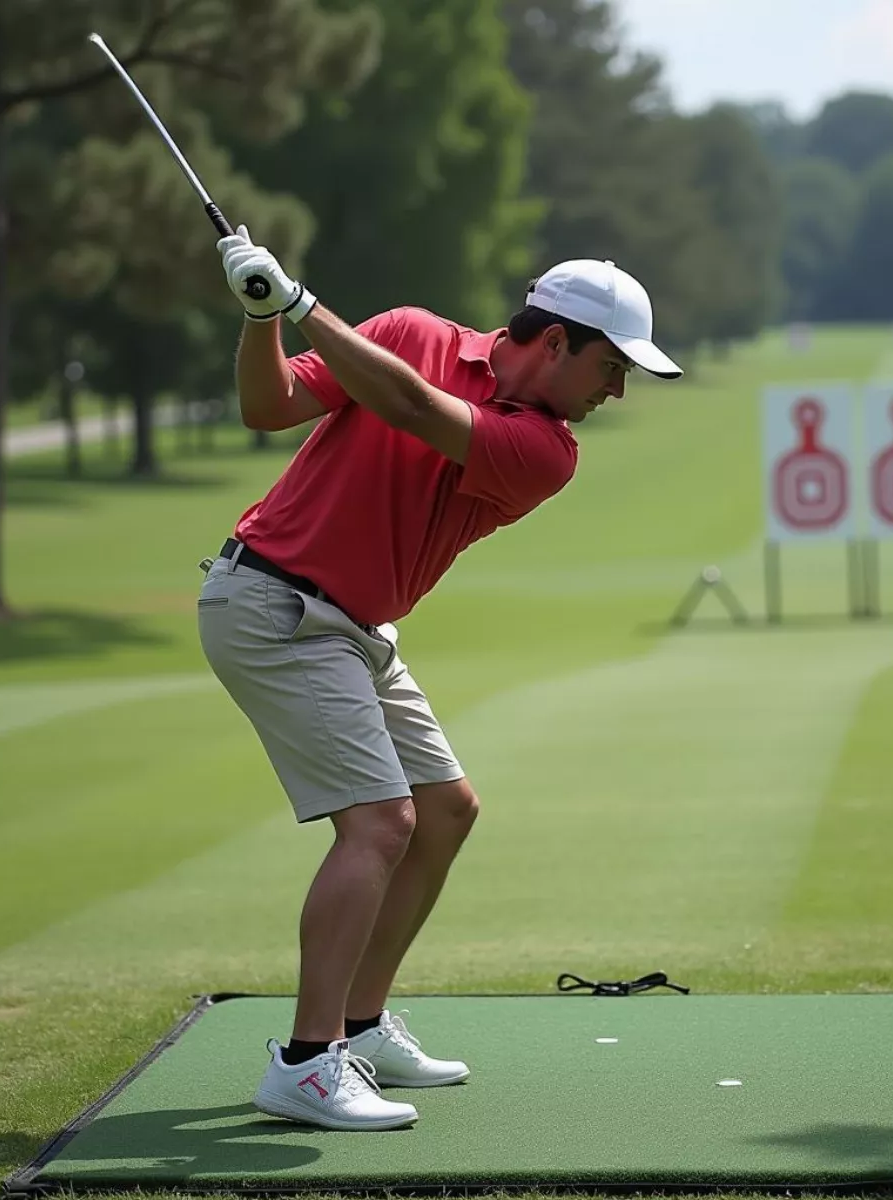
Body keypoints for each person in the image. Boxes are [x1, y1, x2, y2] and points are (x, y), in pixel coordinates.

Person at [197, 226, 682, 1132]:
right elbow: (268, 408)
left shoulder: (548, 450)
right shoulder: (409, 329)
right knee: (383, 824)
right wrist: (263, 318)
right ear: (554, 343)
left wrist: (301, 305)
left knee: (446, 808)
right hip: (275, 606)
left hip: (354, 626)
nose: (617, 390)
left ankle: (360, 1023)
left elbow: (416, 411)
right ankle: (306, 1064)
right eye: (612, 366)